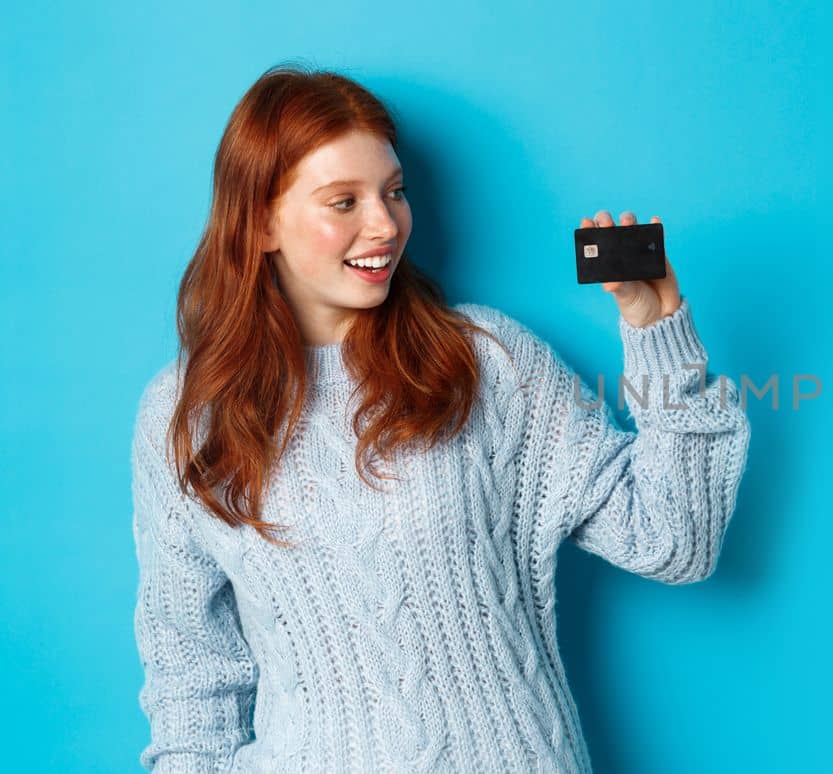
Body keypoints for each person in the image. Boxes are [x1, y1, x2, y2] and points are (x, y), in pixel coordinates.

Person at [130, 63, 751, 773]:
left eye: (394, 193)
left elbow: (675, 540)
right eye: (344, 201)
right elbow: (190, 682)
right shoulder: (184, 415)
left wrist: (656, 327)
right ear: (262, 219)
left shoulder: (487, 361)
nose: (384, 224)